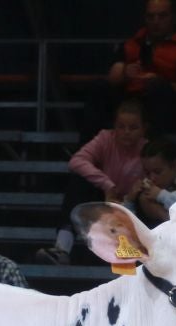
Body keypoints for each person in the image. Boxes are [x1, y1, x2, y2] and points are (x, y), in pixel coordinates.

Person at [39, 99, 147, 265]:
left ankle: (145, 253)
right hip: (102, 200)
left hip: (131, 205)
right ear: (114, 127)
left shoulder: (147, 148)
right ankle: (62, 248)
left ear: (144, 129)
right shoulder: (105, 138)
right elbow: (76, 161)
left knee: (147, 197)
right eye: (121, 127)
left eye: (133, 128)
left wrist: (127, 199)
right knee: (78, 181)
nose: (126, 132)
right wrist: (107, 185)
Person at [98, 0, 176, 135]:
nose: (155, 22)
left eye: (162, 16)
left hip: (165, 103)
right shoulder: (130, 45)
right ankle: (90, 145)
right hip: (130, 100)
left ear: (173, 18)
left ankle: (155, 145)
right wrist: (125, 73)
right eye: (150, 16)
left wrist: (160, 82)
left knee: (158, 89)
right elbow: (112, 78)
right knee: (99, 88)